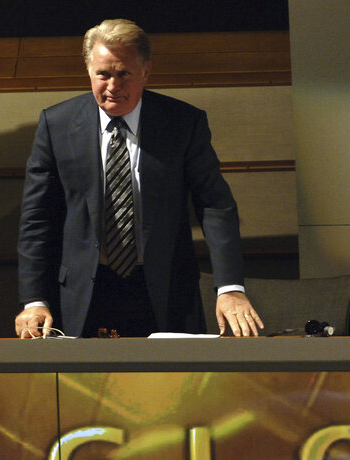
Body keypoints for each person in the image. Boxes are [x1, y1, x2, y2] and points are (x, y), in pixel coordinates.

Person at [15, 19, 263, 338]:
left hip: (164, 290)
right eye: (103, 74)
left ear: (145, 71)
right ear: (89, 71)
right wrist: (34, 299)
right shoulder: (56, 124)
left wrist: (229, 287)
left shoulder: (182, 123)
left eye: (124, 74)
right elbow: (37, 219)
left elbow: (216, 206)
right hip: (80, 293)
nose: (113, 86)